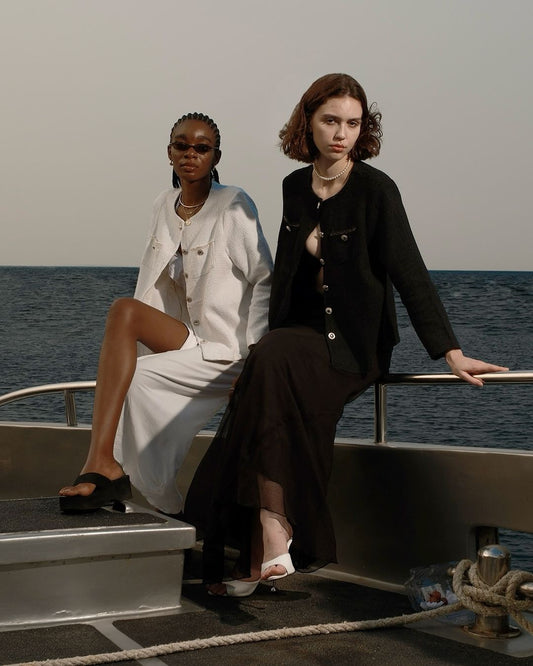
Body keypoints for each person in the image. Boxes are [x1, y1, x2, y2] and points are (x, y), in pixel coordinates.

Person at [184, 74, 508, 597]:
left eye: (353, 124)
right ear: (308, 123)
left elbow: (410, 271)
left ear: (363, 129)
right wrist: (258, 343)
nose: (341, 134)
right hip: (297, 336)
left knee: (271, 368)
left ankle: (267, 537)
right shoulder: (294, 187)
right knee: (265, 372)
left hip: (354, 344)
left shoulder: (377, 189)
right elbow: (285, 275)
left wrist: (449, 351)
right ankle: (267, 540)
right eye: (331, 121)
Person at [59, 112, 273, 514]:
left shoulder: (233, 204)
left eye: (202, 148)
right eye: (181, 146)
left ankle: (138, 486)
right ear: (169, 152)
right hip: (188, 341)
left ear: (215, 156)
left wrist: (256, 356)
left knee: (134, 368)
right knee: (125, 316)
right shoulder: (162, 204)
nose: (191, 154)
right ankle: (103, 464)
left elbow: (265, 278)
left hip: (227, 351)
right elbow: (151, 282)